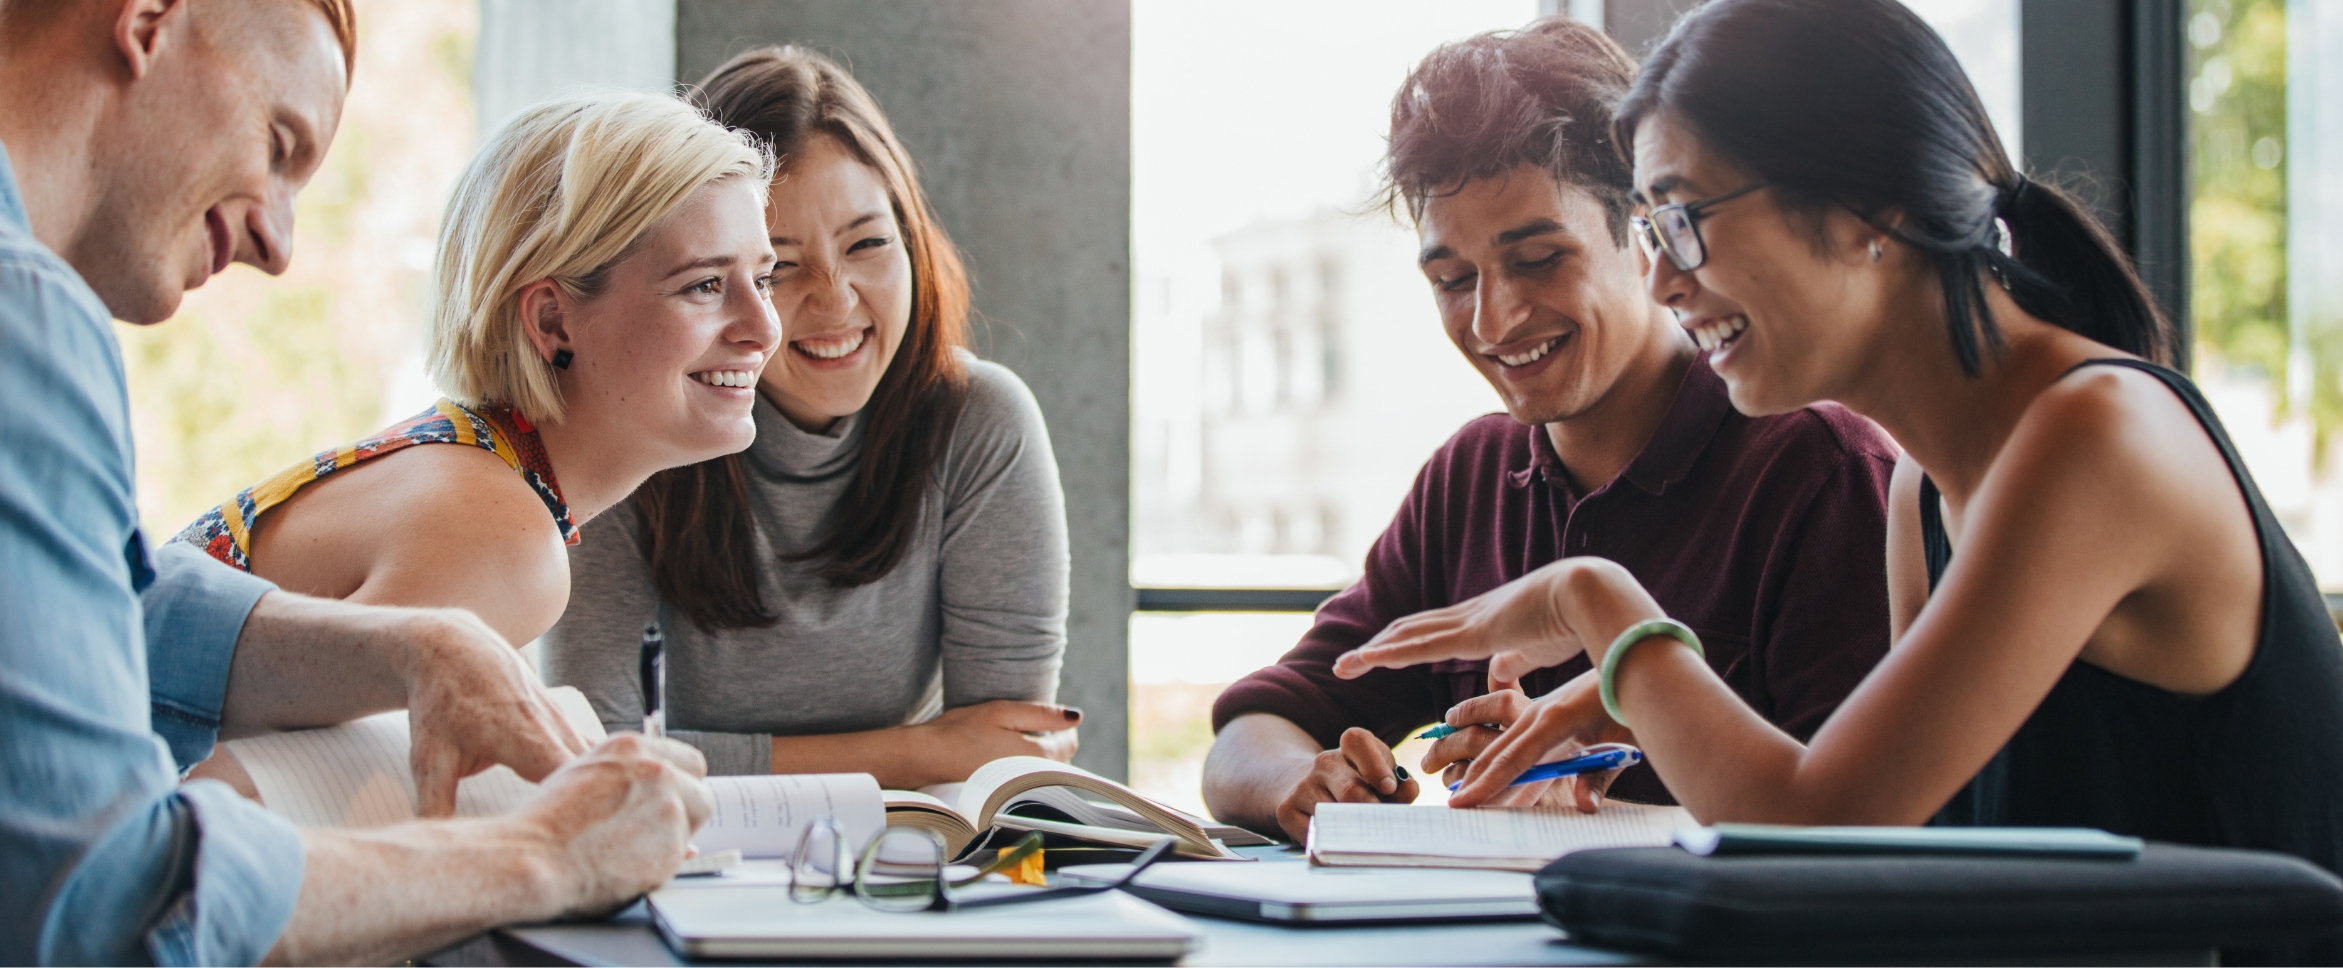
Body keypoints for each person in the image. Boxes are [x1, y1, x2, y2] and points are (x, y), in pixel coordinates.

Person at [1333, 0, 2343, 961]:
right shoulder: (1924, 492)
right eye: (1648, 228)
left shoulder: (2095, 438)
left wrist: (1589, 599)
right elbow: (1887, 855)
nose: (1659, 280)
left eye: (1684, 220)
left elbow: (1816, 817)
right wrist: (1634, 703)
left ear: (1873, 207)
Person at [0, 1, 713, 963]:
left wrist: (416, 647)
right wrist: (543, 852)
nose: (279, 244)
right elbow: (102, 910)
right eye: (278, 142)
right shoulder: (29, 320)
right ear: (148, 24)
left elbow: (111, 608)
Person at [1200, 17, 1900, 843]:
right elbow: (1253, 731)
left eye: (1537, 260)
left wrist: (1602, 761)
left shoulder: (1816, 469)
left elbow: (1856, 828)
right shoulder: (1471, 477)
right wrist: (1299, 781)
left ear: (1644, 236)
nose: (1492, 319)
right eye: (1453, 279)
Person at [542, 46, 1075, 786]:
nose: (835, 300)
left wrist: (945, 758)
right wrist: (915, 750)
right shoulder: (629, 424)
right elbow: (596, 756)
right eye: (778, 267)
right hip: (679, 859)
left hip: (904, 861)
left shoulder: (979, 422)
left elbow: (999, 754)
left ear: (914, 241)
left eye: (867, 244)